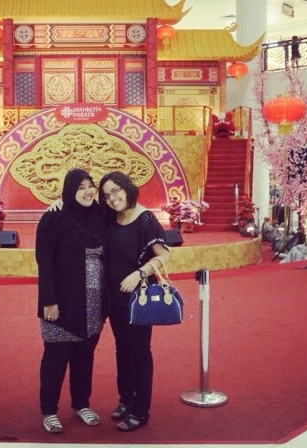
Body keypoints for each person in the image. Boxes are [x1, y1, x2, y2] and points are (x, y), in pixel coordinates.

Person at [99, 171, 170, 432]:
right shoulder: (110, 217)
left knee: (140, 351)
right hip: (114, 296)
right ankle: (126, 399)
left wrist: (138, 274)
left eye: (115, 191)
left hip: (139, 295)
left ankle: (141, 411)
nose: (112, 198)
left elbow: (164, 255)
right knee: (122, 348)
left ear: (127, 188)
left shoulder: (145, 219)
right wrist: (58, 203)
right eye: (106, 195)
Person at [36, 168, 105, 434]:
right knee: (57, 355)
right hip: (62, 299)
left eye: (90, 186)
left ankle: (81, 404)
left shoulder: (99, 215)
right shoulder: (54, 218)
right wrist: (48, 300)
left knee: (84, 354)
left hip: (94, 299)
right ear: (68, 191)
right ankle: (49, 410)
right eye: (80, 187)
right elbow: (44, 261)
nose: (87, 192)